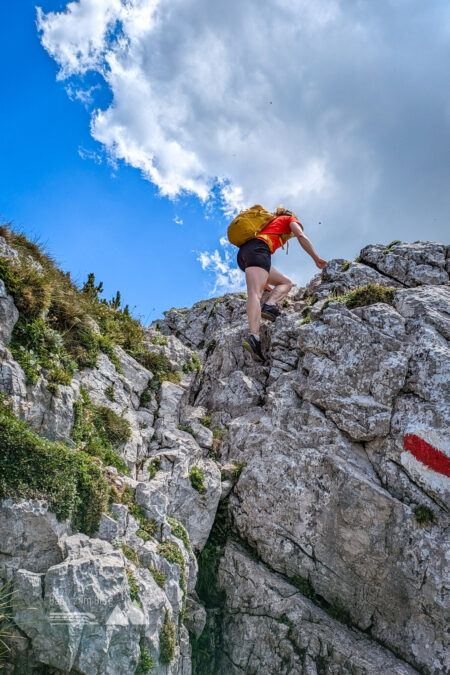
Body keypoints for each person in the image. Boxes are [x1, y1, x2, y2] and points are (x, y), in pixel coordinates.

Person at [237, 206, 327, 361]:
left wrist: (264, 280)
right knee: (255, 294)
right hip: (259, 251)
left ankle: (269, 307)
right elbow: (301, 235)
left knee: (285, 282)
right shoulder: (289, 219)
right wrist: (316, 258)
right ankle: (255, 335)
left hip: (245, 253)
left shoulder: (269, 224)